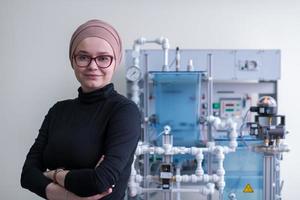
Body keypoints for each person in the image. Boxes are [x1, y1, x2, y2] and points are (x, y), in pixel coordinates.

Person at [20, 19, 141, 200]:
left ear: (115, 62)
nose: (93, 66)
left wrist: (53, 174)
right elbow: (27, 175)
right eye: (83, 57)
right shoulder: (58, 111)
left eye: (103, 58)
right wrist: (70, 196)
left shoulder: (124, 111)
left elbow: (100, 181)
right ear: (73, 61)